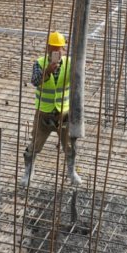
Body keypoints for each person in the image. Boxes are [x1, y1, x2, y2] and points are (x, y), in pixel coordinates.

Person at [20, 31, 82, 187]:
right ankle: (29, 171)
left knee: (70, 145)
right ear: (48, 48)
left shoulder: (69, 63)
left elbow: (78, 79)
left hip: (64, 114)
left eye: (59, 48)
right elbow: (34, 81)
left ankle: (71, 172)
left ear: (64, 49)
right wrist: (47, 71)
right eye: (54, 48)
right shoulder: (40, 63)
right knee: (35, 144)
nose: (57, 52)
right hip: (44, 114)